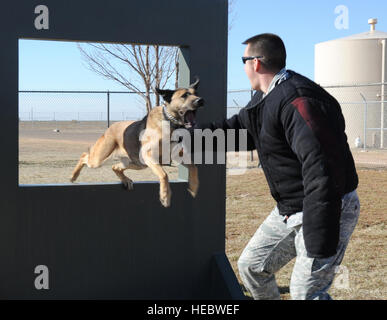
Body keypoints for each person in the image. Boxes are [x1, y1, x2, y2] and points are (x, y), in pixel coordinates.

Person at [193, 33, 360, 300]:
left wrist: (318, 238)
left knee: (306, 292)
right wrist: (184, 139)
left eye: (243, 60)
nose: (243, 67)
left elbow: (323, 171)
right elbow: (239, 132)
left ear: (255, 63)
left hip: (327, 207)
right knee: (252, 267)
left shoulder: (300, 101)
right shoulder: (265, 99)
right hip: (292, 207)